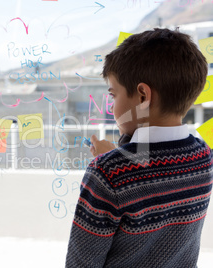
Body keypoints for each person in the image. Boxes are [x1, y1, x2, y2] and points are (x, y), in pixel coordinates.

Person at [66, 28, 213, 268]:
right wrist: (118, 157)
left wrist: (110, 164)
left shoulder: (107, 173)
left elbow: (80, 263)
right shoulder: (204, 157)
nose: (112, 106)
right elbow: (151, 174)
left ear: (143, 96)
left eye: (113, 95)